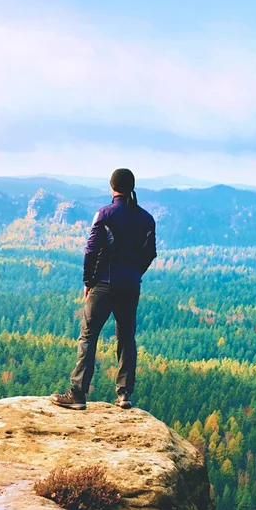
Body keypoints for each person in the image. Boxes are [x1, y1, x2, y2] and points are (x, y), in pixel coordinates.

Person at [50, 168, 156, 410]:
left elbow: (91, 250)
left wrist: (88, 281)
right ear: (131, 188)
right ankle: (124, 394)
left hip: (104, 285)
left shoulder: (105, 214)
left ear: (112, 187)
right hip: (130, 286)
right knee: (126, 338)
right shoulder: (147, 219)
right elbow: (150, 253)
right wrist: (135, 273)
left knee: (88, 335)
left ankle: (77, 394)